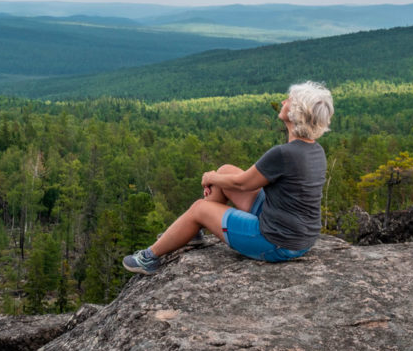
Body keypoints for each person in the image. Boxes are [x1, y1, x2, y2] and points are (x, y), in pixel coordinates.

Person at [123, 81, 334, 274]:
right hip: (298, 236)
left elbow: (242, 184)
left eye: (288, 100)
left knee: (200, 207)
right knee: (226, 170)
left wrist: (210, 177)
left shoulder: (284, 154)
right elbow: (239, 180)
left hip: (276, 242)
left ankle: (148, 258)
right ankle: (193, 230)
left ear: (296, 112)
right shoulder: (314, 150)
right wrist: (218, 177)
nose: (283, 101)